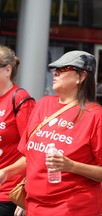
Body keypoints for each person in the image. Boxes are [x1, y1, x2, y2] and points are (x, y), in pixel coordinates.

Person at [0, 50, 102, 216]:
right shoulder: (42, 105)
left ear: (82, 76)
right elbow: (30, 158)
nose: (55, 73)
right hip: (35, 207)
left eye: (64, 69)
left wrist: (70, 165)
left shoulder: (96, 116)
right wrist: (6, 172)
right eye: (55, 69)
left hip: (74, 209)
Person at [0, 45, 35, 216]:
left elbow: (33, 151)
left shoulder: (20, 99)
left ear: (7, 70)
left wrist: (26, 193)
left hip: (7, 194)